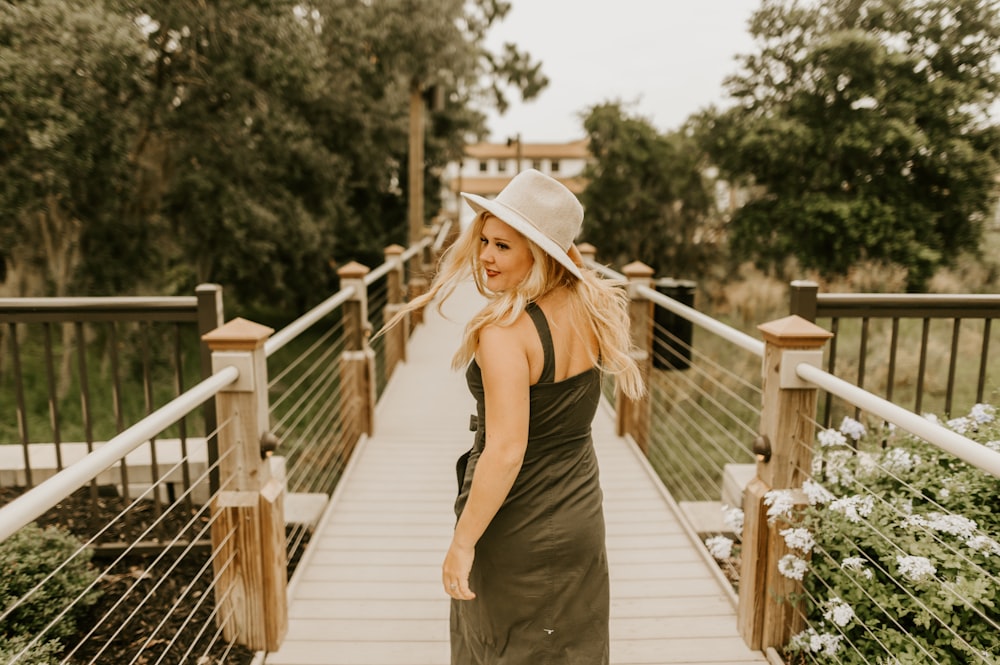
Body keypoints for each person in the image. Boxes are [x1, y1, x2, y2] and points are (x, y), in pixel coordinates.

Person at [380, 169, 644, 664]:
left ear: (538, 253)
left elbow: (504, 451)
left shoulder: (505, 333)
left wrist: (462, 543)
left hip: (517, 522)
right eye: (483, 240)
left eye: (503, 246)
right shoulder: (589, 308)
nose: (484, 256)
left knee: (502, 649)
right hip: (580, 511)